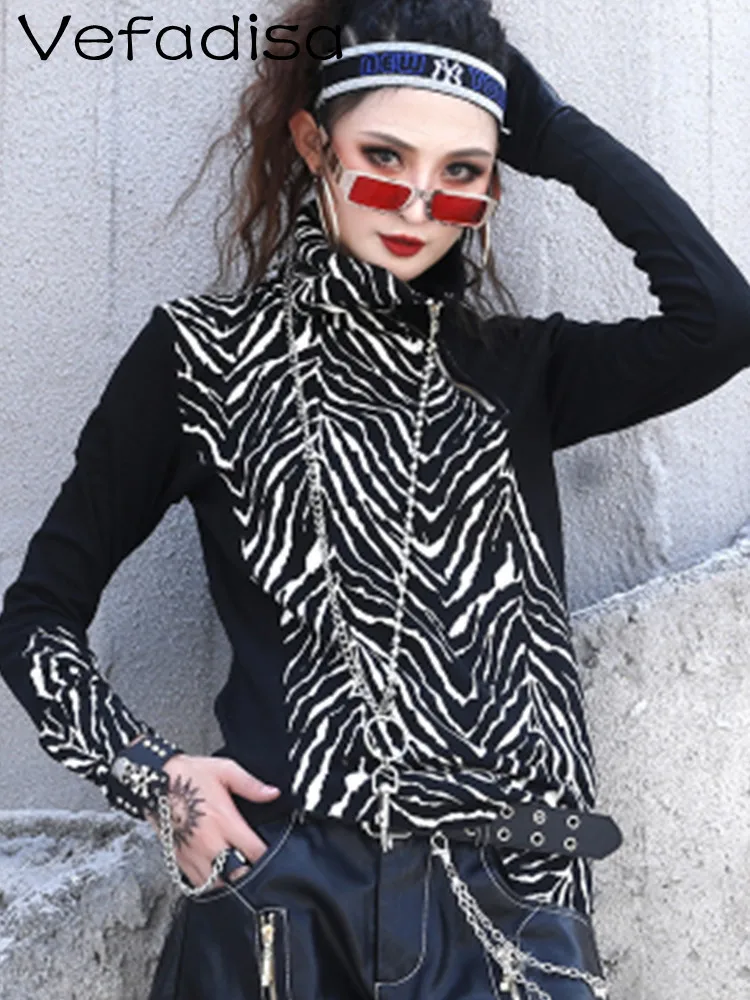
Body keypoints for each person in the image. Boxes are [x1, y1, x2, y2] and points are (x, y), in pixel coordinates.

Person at [2, 0, 749, 996]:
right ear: (315, 143)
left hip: (513, 898)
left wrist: (552, 129)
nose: (415, 207)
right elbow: (36, 616)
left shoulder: (517, 370)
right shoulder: (202, 359)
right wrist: (154, 777)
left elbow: (720, 318)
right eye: (384, 158)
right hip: (284, 890)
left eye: (461, 175)